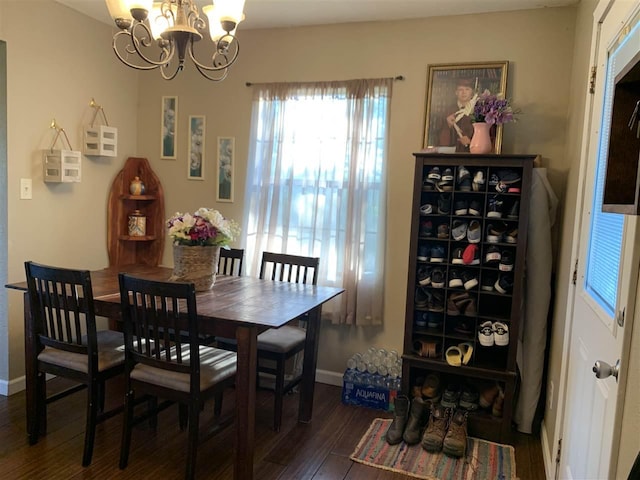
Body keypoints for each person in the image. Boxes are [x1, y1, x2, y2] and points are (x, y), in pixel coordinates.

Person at [438, 78, 478, 152]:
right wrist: (448, 125)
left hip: (472, 153)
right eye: (460, 90)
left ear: (472, 92)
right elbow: (440, 137)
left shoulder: (478, 111)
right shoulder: (448, 111)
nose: (464, 92)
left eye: (467, 89)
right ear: (456, 92)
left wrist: (471, 141)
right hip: (452, 154)